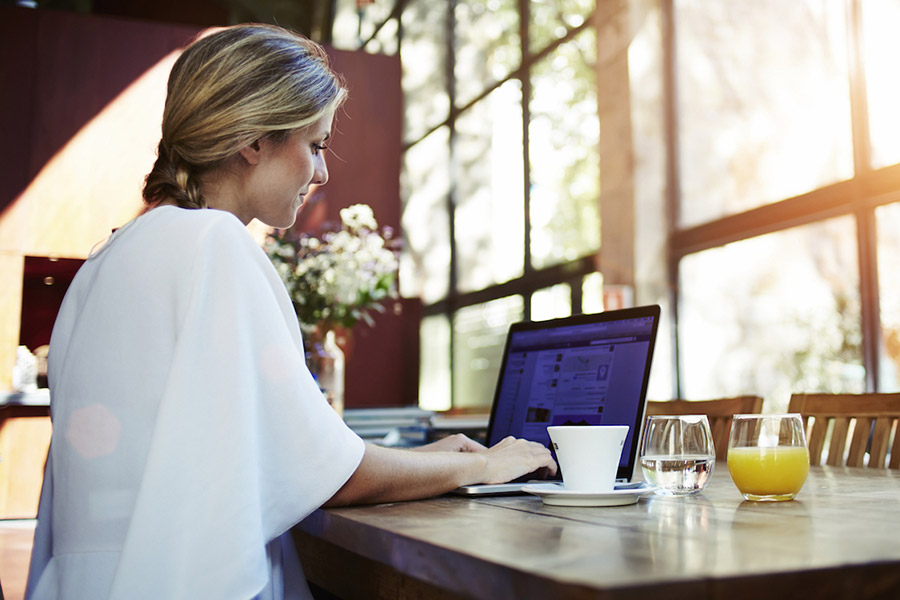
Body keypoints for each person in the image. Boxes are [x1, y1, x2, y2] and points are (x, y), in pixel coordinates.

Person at [25, 23, 556, 600]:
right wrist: (479, 467)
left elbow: (256, 456)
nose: (322, 173)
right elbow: (324, 475)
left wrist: (425, 460)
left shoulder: (107, 259)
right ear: (254, 140)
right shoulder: (215, 244)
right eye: (316, 145)